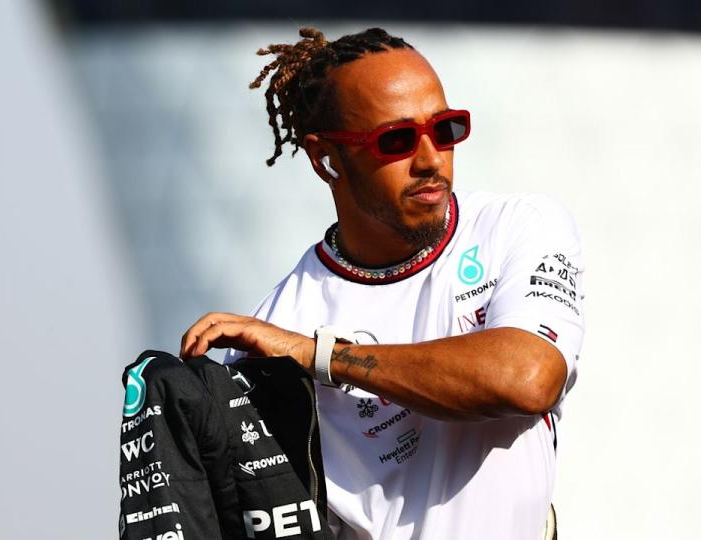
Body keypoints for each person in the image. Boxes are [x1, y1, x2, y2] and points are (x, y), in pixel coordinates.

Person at [181, 27, 585, 540]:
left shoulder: (519, 226)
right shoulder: (273, 332)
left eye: (446, 129)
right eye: (394, 140)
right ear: (325, 158)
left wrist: (322, 357)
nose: (430, 159)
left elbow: (528, 378)